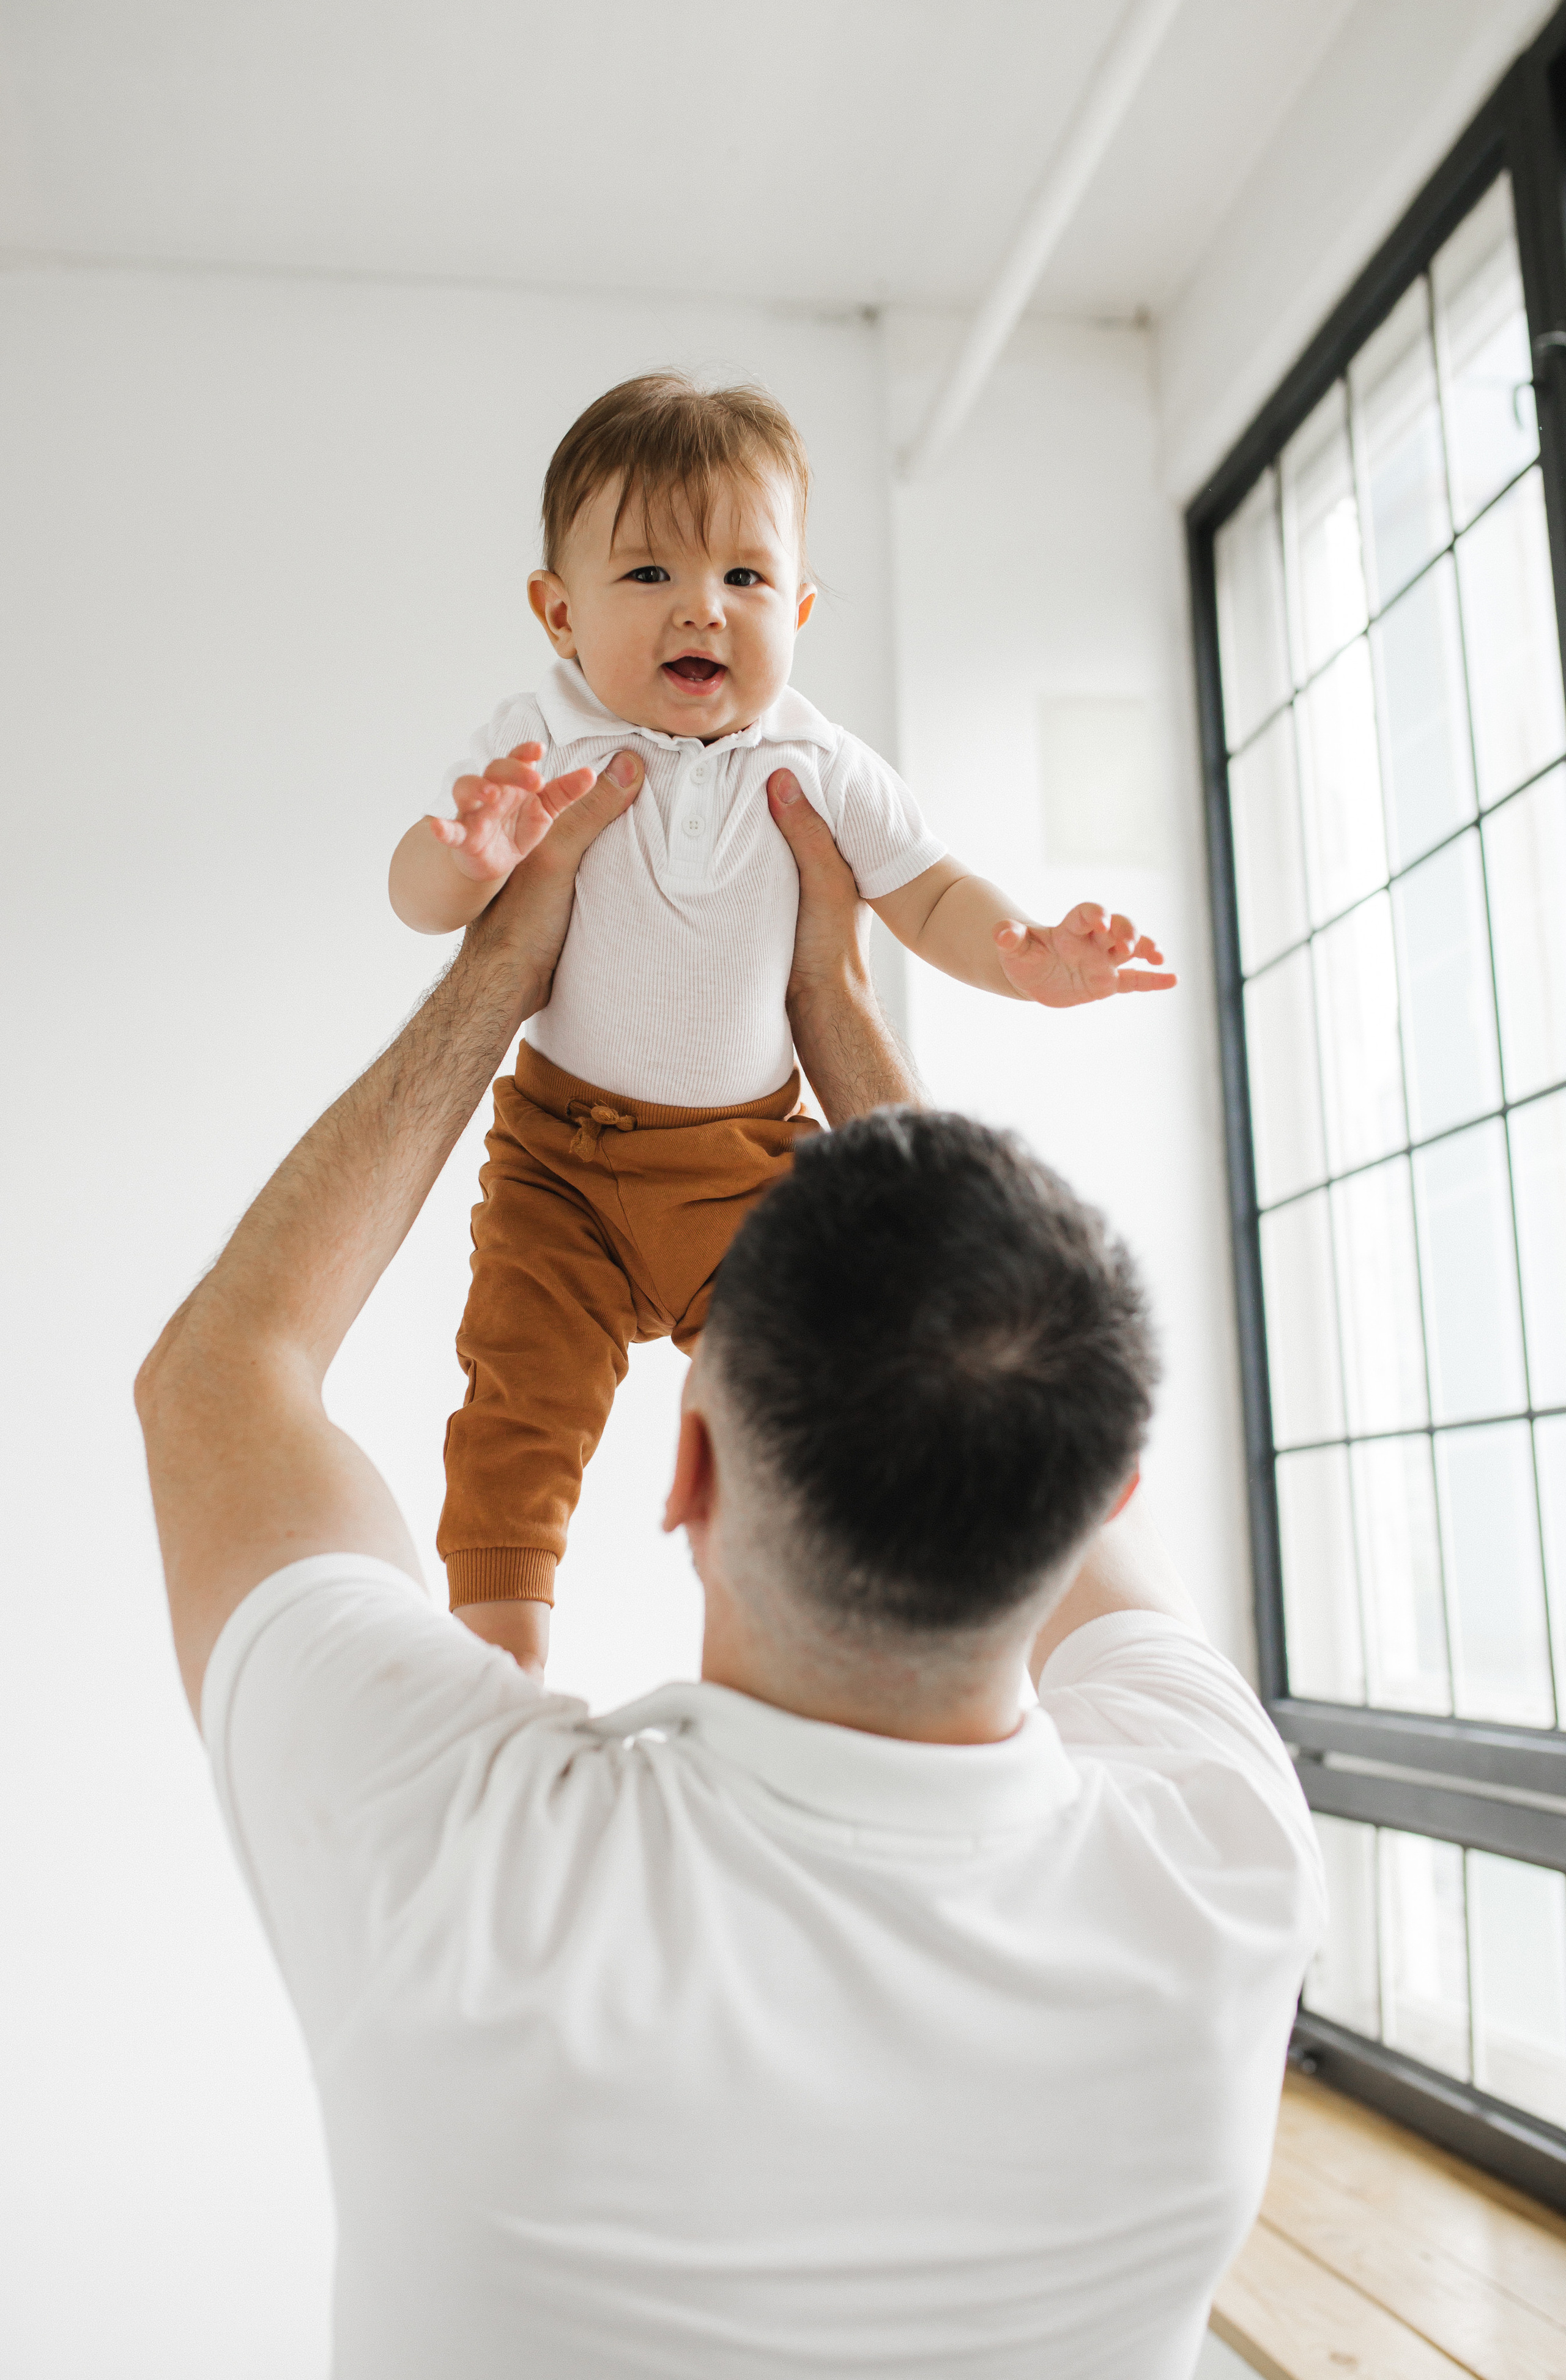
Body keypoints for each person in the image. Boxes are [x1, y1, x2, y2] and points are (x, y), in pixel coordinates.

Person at [136, 778, 1323, 2380]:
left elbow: (227, 1372)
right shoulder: (1230, 1865)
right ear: (1103, 1493)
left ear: (681, 1472)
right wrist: (828, 999)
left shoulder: (456, 1863)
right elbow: (1014, 1353)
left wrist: (502, 973)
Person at [385, 372, 1178, 1674]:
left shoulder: (814, 760)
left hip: (747, 1172)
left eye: (746, 578)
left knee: (797, 1417)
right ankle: (502, 1671)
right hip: (559, 1169)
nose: (702, 605)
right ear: (558, 612)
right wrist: (464, 853)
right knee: (511, 1422)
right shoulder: (541, 736)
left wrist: (1027, 956)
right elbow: (416, 899)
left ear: (799, 609)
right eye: (646, 573)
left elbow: (924, 891)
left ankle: (768, 1668)